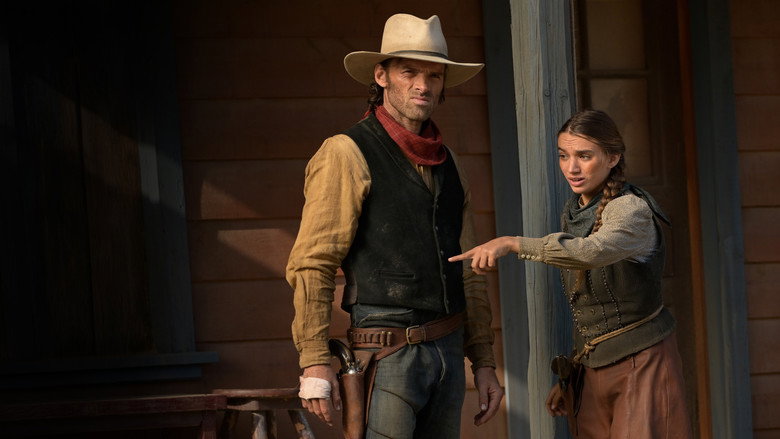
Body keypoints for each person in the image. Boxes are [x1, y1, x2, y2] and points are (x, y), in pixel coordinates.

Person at [286, 13, 504, 439]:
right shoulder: (346, 152)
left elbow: (469, 270)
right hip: (386, 353)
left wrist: (483, 361)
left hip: (448, 351)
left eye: (434, 75)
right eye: (409, 72)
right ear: (381, 76)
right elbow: (314, 262)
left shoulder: (451, 164)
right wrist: (313, 359)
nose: (423, 85)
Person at [450, 109, 691, 438]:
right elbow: (586, 303)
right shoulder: (575, 210)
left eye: (584, 156)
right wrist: (572, 375)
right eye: (564, 155)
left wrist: (512, 243)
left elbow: (591, 252)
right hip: (592, 369)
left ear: (612, 158)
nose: (571, 168)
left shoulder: (631, 209)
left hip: (642, 363)